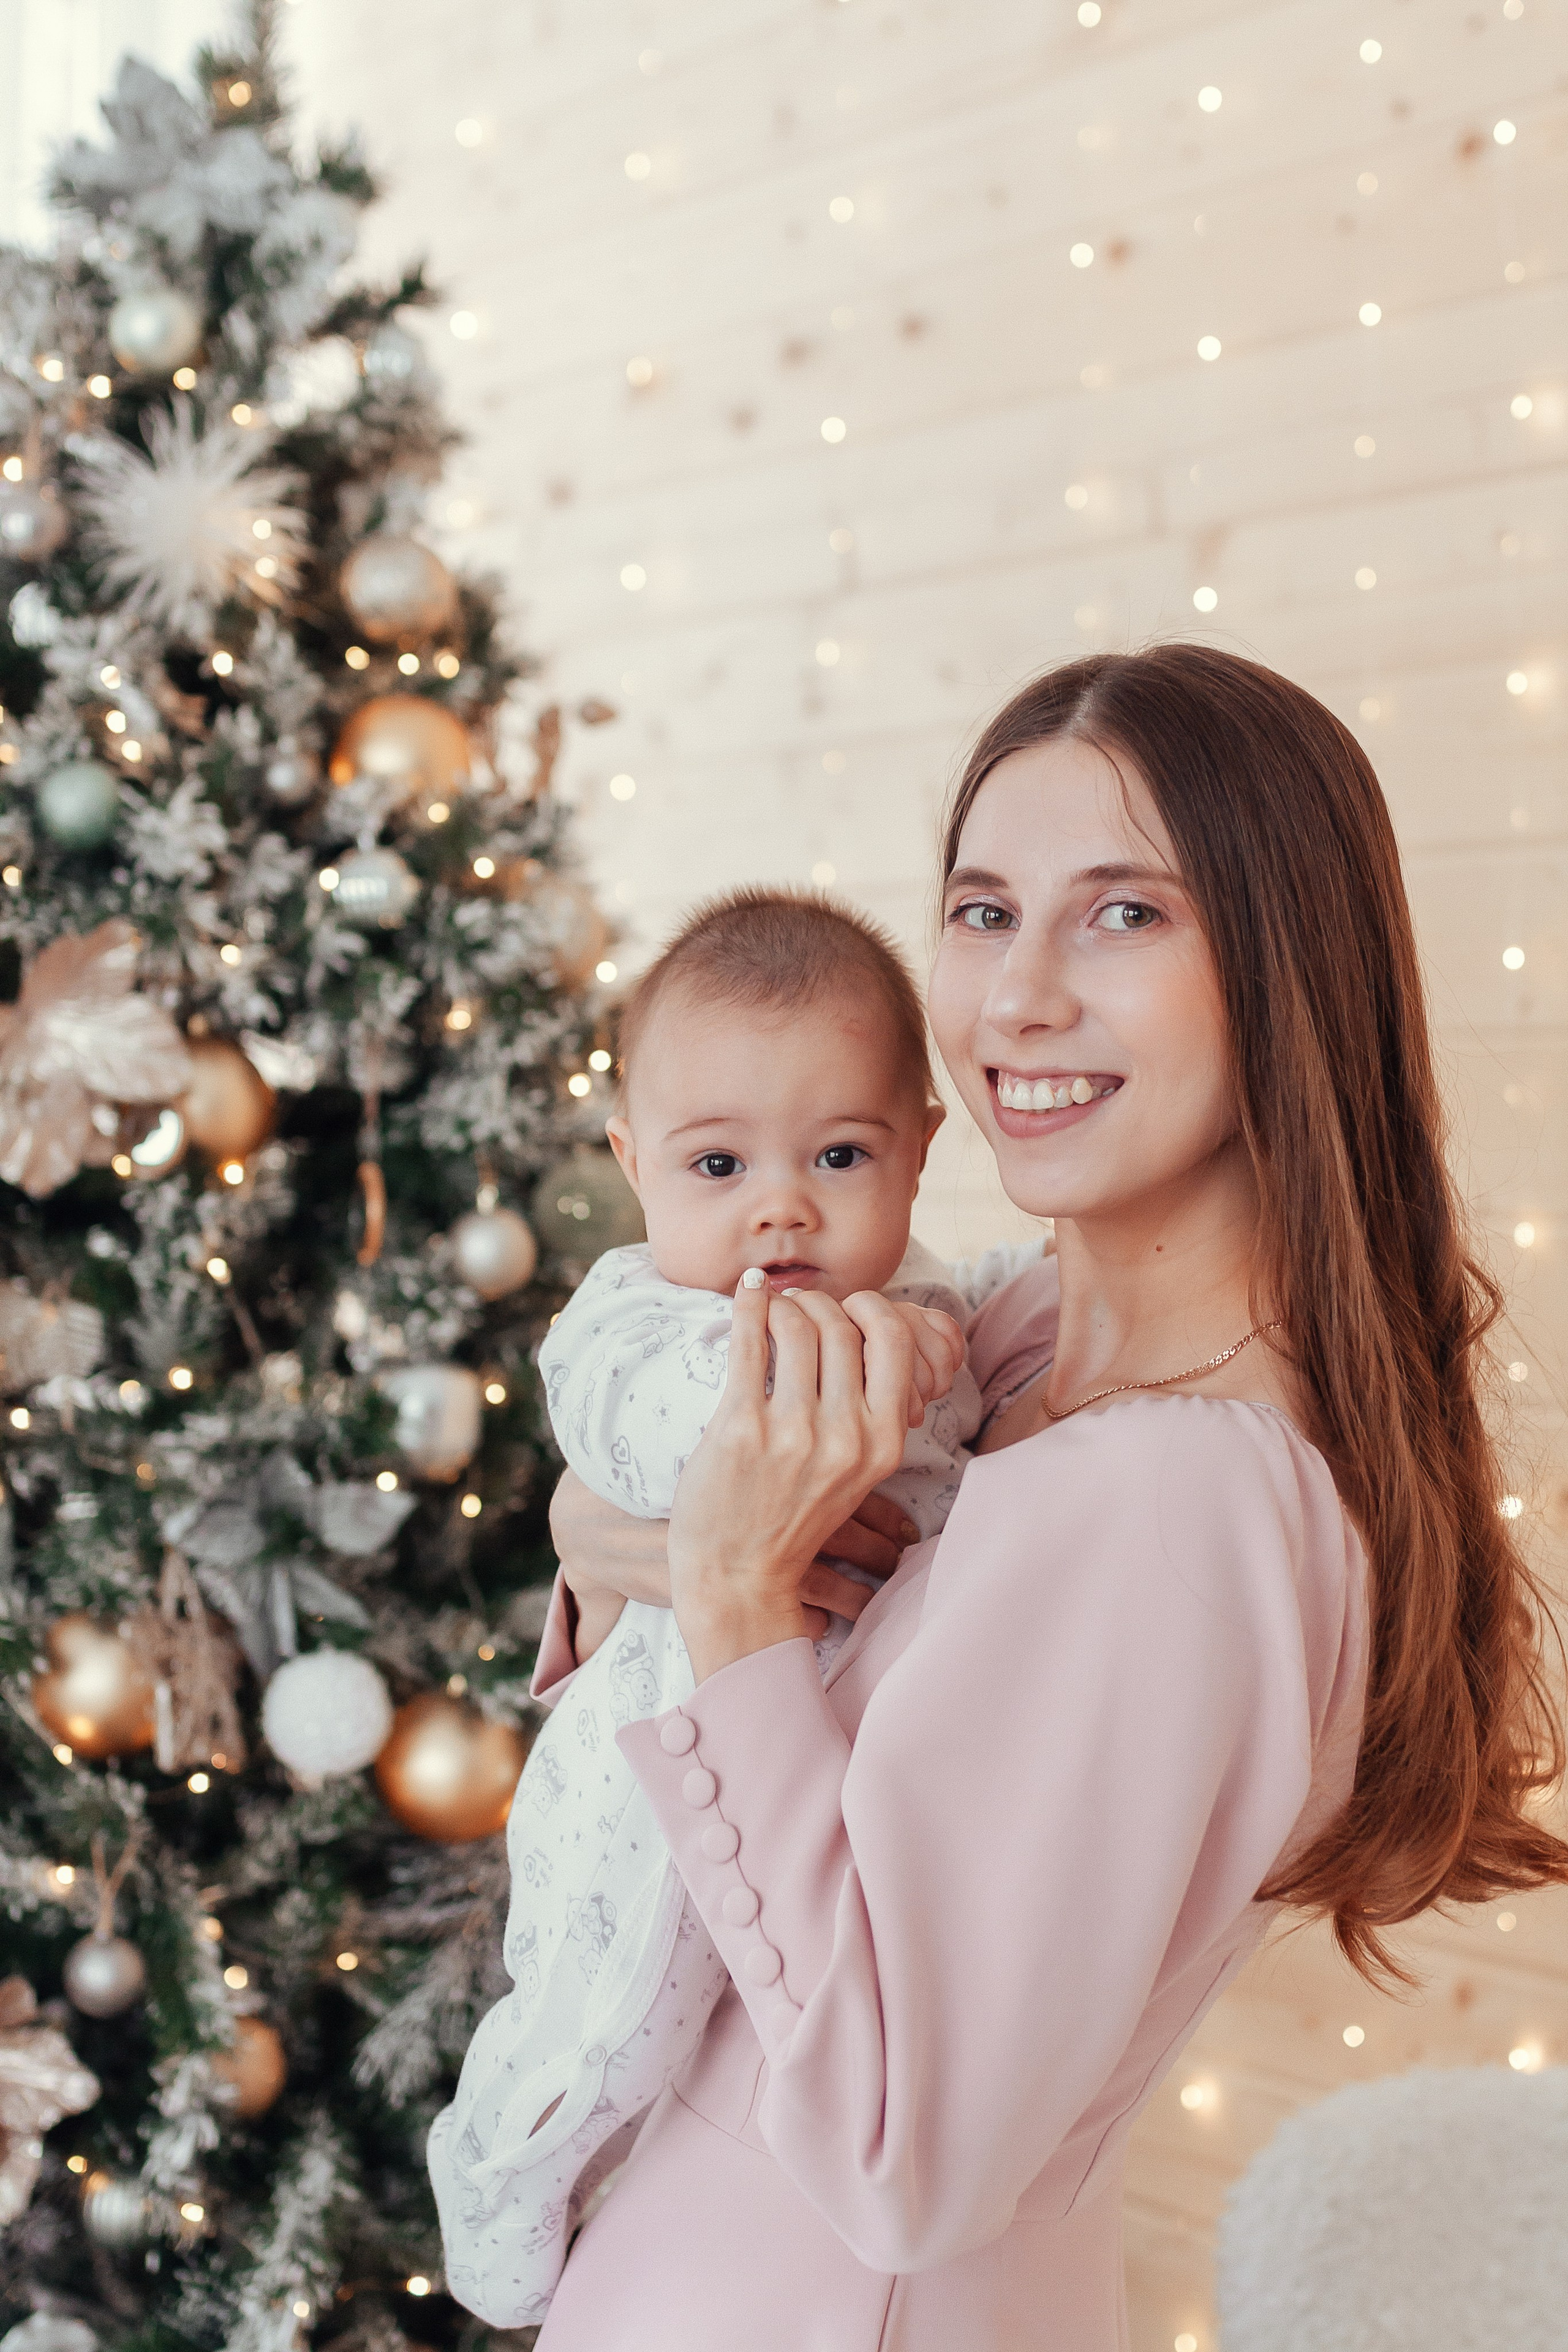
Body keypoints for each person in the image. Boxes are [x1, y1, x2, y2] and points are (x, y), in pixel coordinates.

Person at [535, 646, 1568, 2349]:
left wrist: (724, 1594)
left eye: (1123, 914)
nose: (1014, 997)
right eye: (982, 910)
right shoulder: (1005, 1339)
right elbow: (674, 1469)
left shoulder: (1169, 1498)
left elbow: (903, 2156)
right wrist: (611, 1534)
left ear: (1286, 967)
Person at [429, 889, 1042, 2323]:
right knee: (607, 2021)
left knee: (721, 2062)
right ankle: (501, 2164)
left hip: (803, 1794)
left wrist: (941, 1322)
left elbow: (1000, 1327)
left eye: (840, 1155)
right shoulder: (636, 1314)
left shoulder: (932, 1303)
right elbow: (638, 1425)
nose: (781, 1205)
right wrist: (833, 1357)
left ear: (919, 1150)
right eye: (717, 1163)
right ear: (632, 1163)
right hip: (640, 1785)